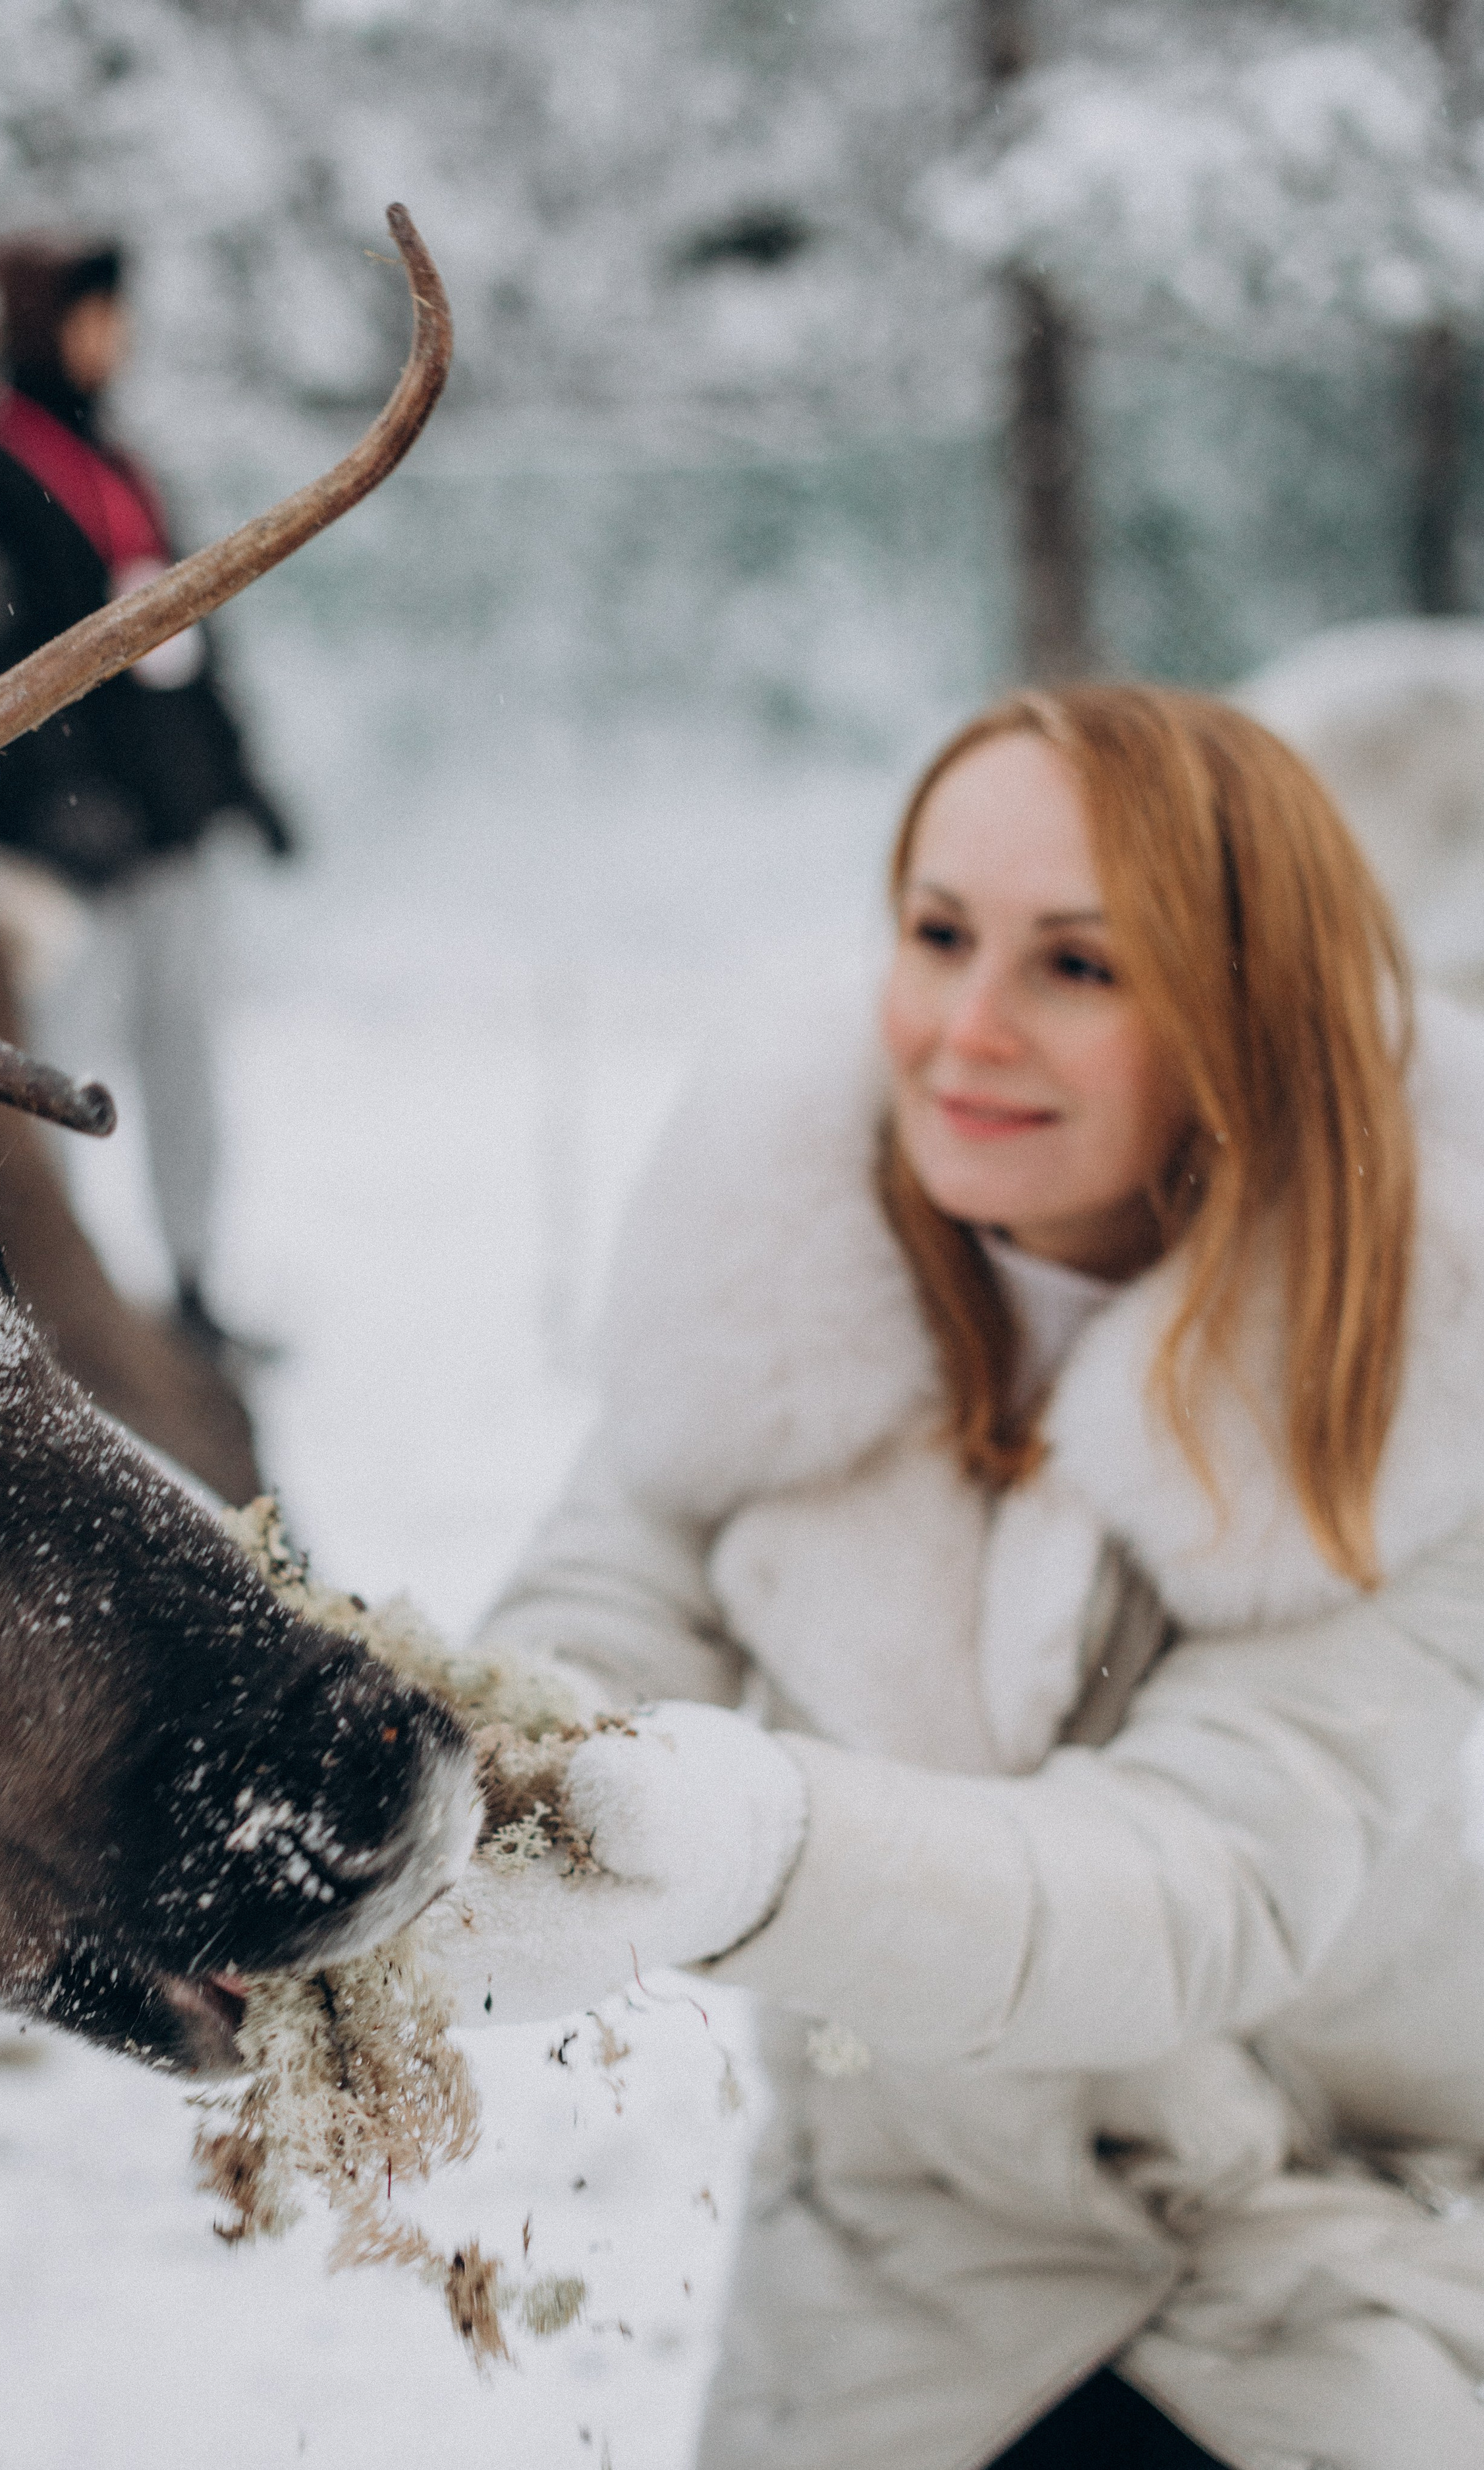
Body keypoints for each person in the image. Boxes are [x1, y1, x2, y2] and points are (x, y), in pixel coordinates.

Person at [416, 684, 1484, 2469]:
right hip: (898, 2261)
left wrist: (751, 1838)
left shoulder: (1414, 1364)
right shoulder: (769, 1264)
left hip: (1327, 2237)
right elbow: (579, 1631)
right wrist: (434, 1808)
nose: (963, 1029)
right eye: (935, 934)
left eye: (1080, 965)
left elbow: (1195, 1884)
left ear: (1246, 1007)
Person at [0, 236, 294, 1360]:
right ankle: (49, 1308)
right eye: (95, 315)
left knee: (186, 1060)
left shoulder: (119, 465)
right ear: (45, 326)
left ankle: (189, 1287)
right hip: (55, 864)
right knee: (42, 1076)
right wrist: (48, 802)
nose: (113, 336)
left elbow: (187, 627)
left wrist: (239, 777)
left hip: (167, 833)